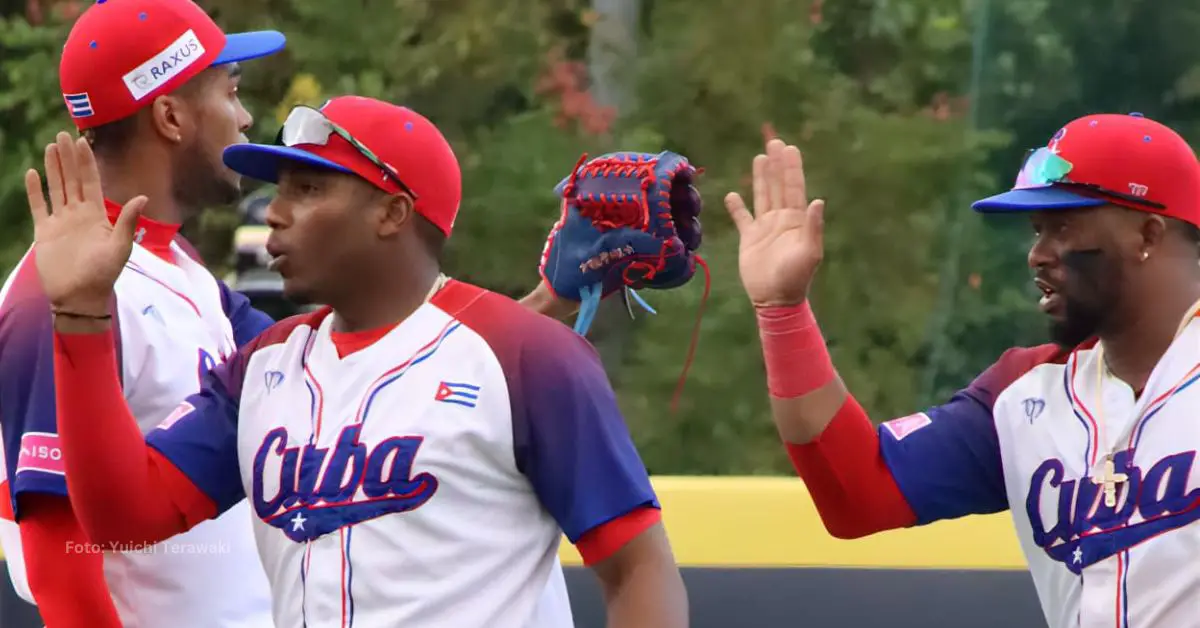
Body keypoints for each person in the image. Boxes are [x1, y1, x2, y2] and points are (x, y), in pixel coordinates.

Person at [25, 95, 689, 627]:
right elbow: (120, 518)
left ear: (391, 212)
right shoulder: (265, 365)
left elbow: (637, 570)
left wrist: (545, 303)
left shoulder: (529, 356)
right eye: (279, 188)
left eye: (309, 189)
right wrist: (82, 316)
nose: (276, 213)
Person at [724, 111, 1200, 628]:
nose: (1037, 255)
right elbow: (858, 494)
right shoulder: (1024, 393)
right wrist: (782, 311)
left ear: (1146, 233)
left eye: (1062, 226)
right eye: (1037, 230)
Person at [0, 0, 287, 625]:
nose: (245, 117)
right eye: (231, 92)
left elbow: (313, 355)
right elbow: (58, 562)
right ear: (171, 115)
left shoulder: (180, 265)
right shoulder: (50, 297)